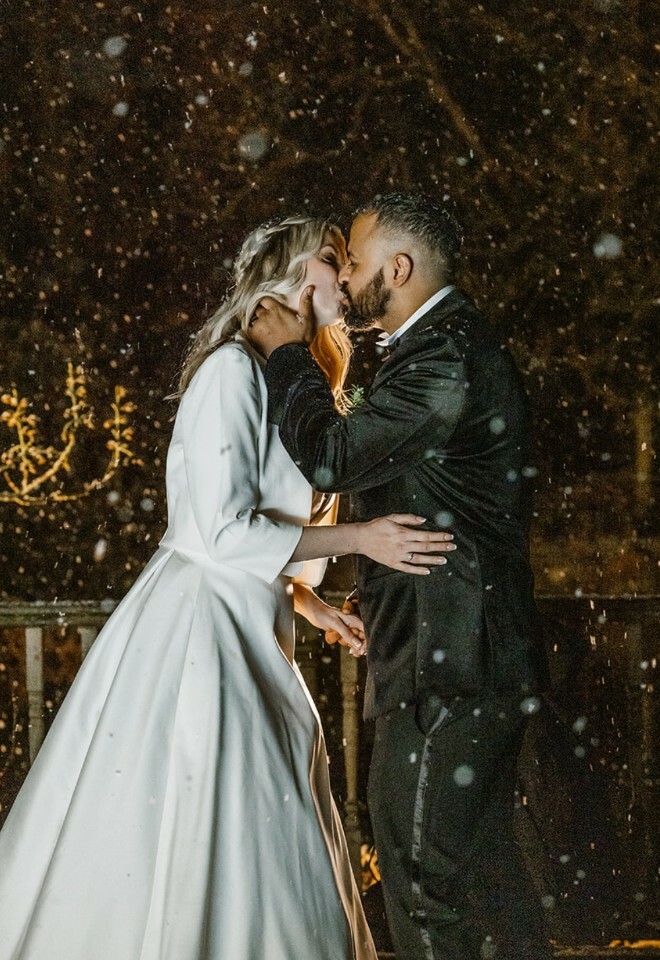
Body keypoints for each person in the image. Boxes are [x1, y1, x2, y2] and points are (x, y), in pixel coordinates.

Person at [0, 215, 456, 960]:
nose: (345, 277)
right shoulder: (232, 371)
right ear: (286, 275)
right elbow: (217, 534)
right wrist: (361, 538)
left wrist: (308, 603)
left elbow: (266, 526)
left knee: (261, 821)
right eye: (331, 260)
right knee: (227, 819)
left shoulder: (291, 377)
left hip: (253, 631)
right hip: (200, 641)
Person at [249, 194, 552, 960]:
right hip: (458, 653)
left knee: (421, 878)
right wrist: (366, 590)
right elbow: (431, 495)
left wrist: (288, 355)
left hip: (449, 666)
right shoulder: (440, 348)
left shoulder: (444, 355)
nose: (344, 277)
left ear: (399, 267)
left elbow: (334, 457)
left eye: (351, 260)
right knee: (484, 876)